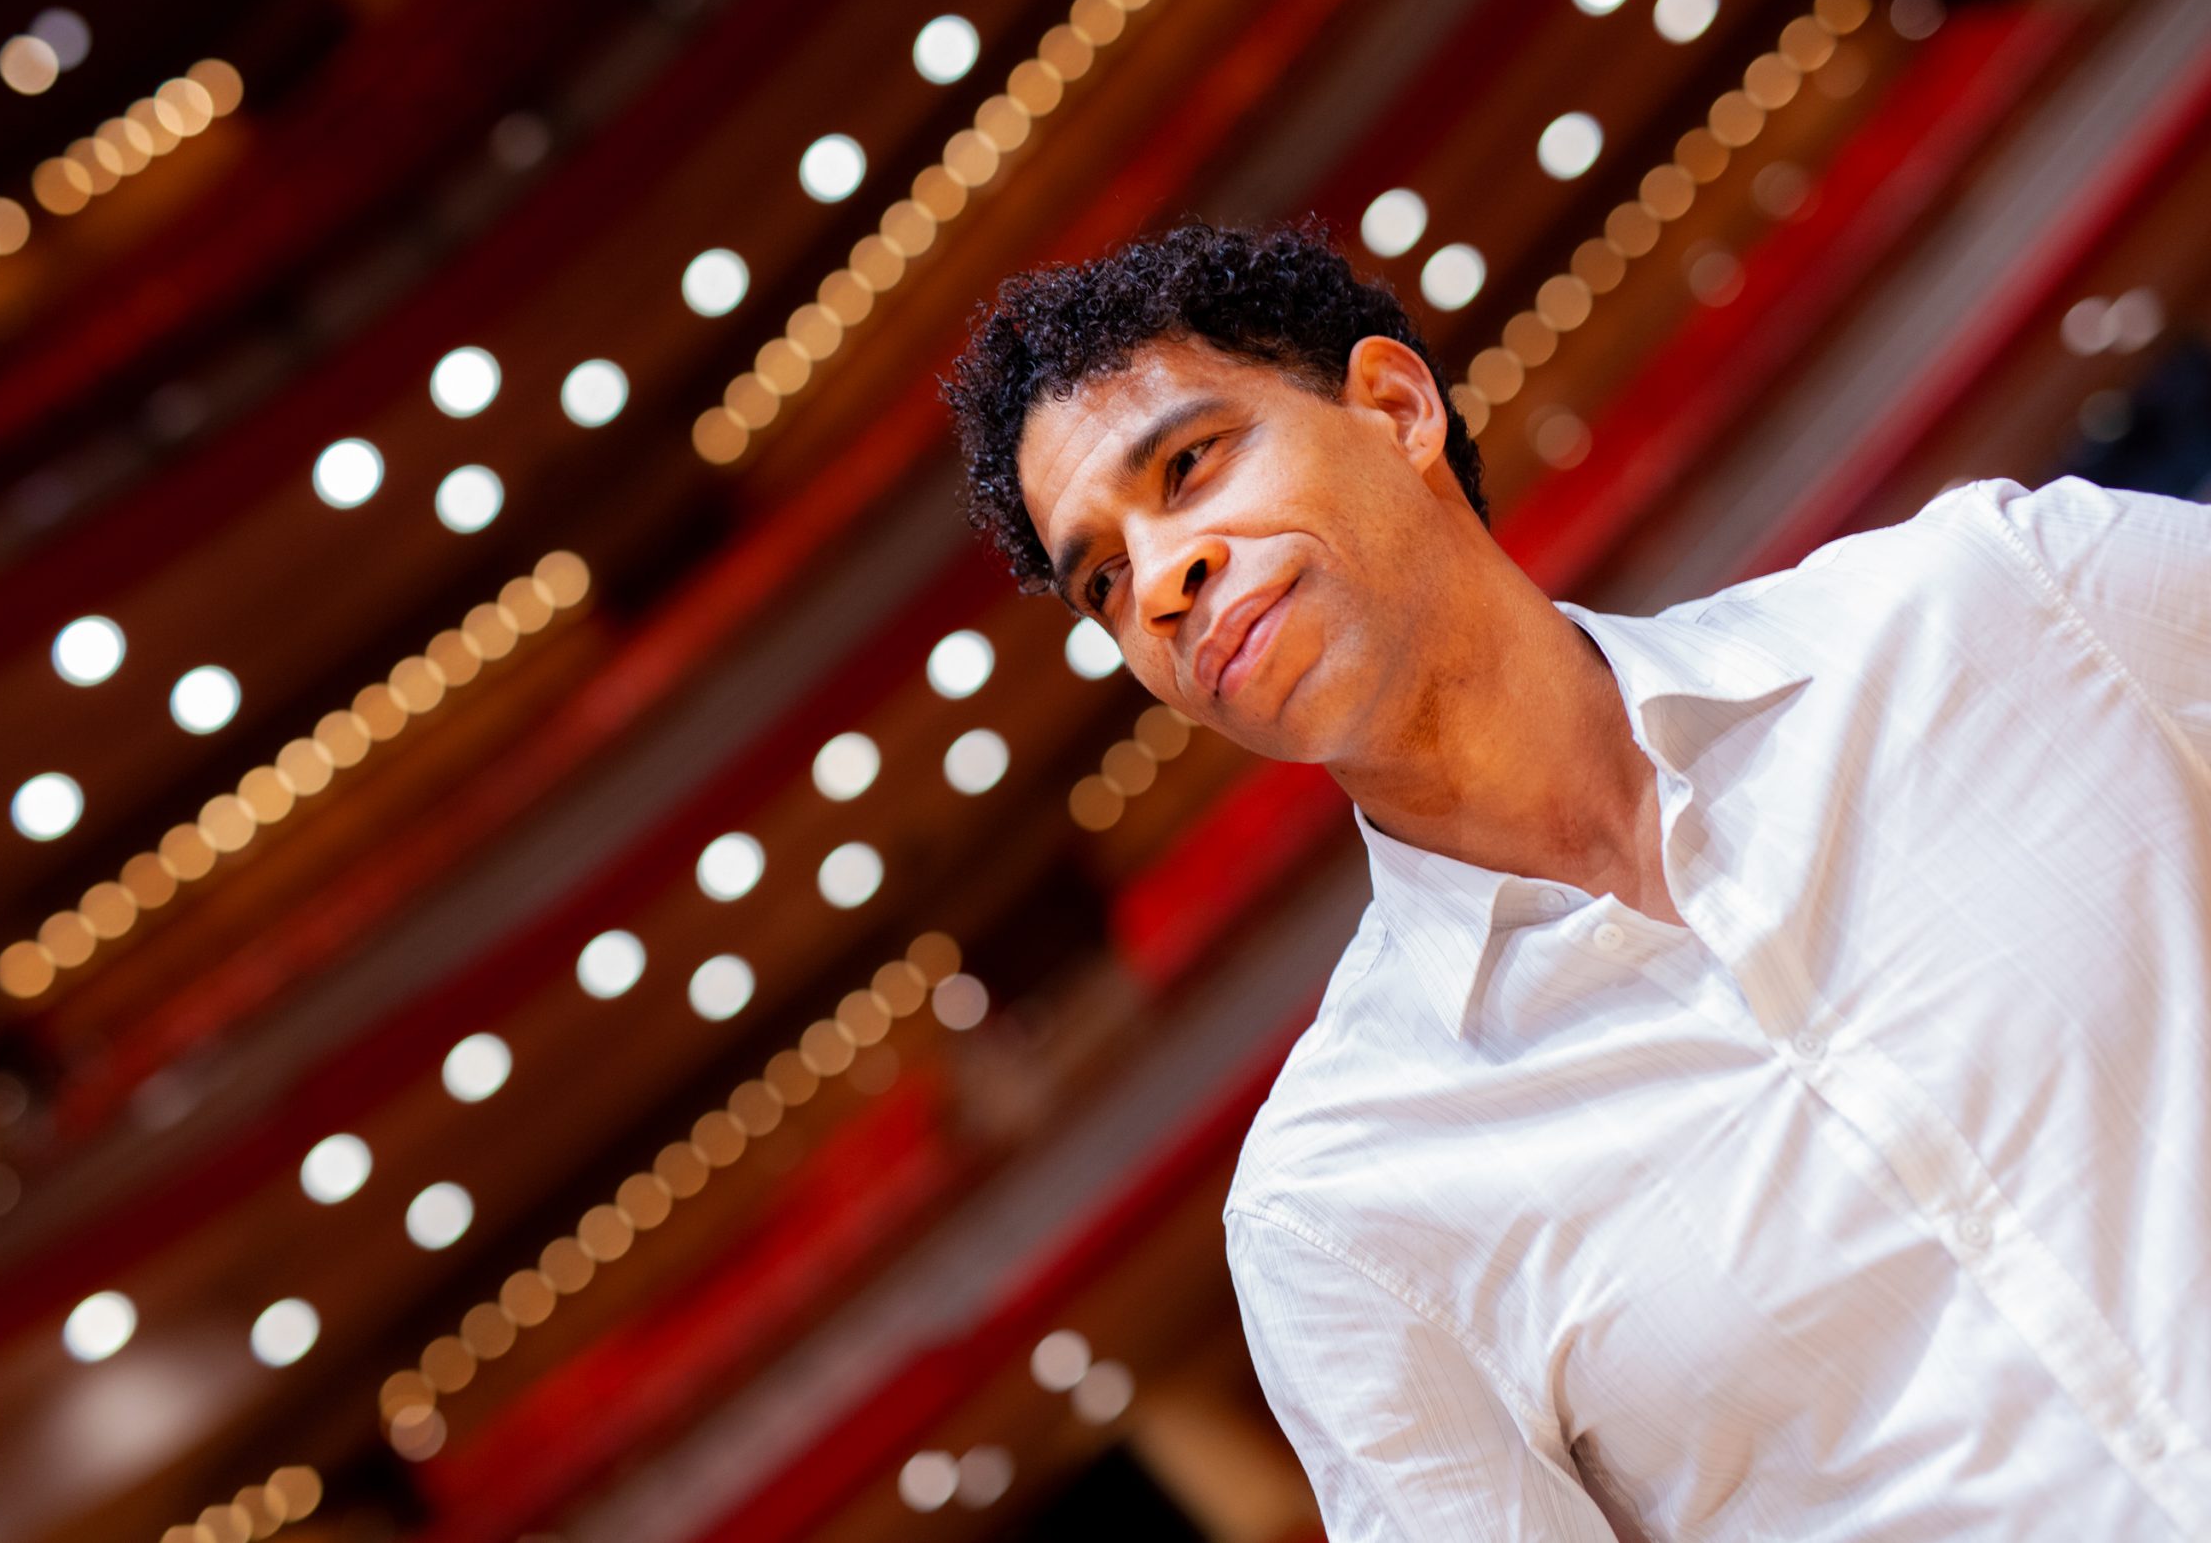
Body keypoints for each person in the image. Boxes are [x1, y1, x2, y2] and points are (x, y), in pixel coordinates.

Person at [942, 220, 2211, 1540]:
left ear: (1394, 407)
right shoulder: (1337, 1211)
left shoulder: (1997, 603)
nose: (1161, 580)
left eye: (1190, 465)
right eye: (1102, 579)